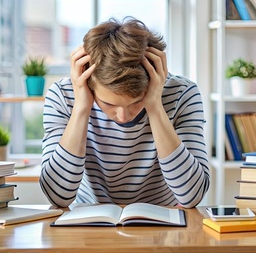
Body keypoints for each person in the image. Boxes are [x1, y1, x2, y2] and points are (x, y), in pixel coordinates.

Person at [40, 17, 210, 208]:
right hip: (89, 223)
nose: (123, 117)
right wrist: (81, 108)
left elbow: (192, 196)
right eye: (108, 104)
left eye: (136, 103)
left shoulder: (182, 93)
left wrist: (154, 106)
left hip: (163, 222)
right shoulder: (63, 95)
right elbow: (58, 197)